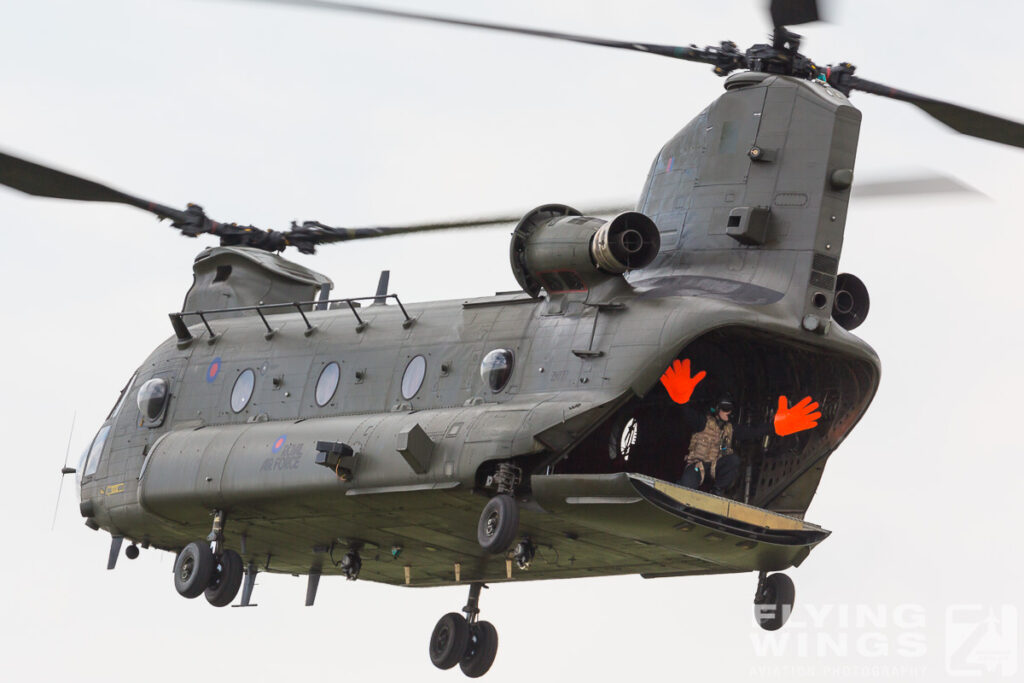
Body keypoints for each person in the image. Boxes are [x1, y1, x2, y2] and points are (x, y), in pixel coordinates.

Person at [677, 397, 768, 494]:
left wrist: (775, 426)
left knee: (733, 460)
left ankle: (717, 490)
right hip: (697, 466)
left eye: (730, 409)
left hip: (715, 467)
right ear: (717, 410)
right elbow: (686, 413)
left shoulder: (730, 429)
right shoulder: (702, 422)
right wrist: (682, 398)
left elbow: (753, 431)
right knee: (684, 491)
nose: (728, 412)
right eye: (725, 408)